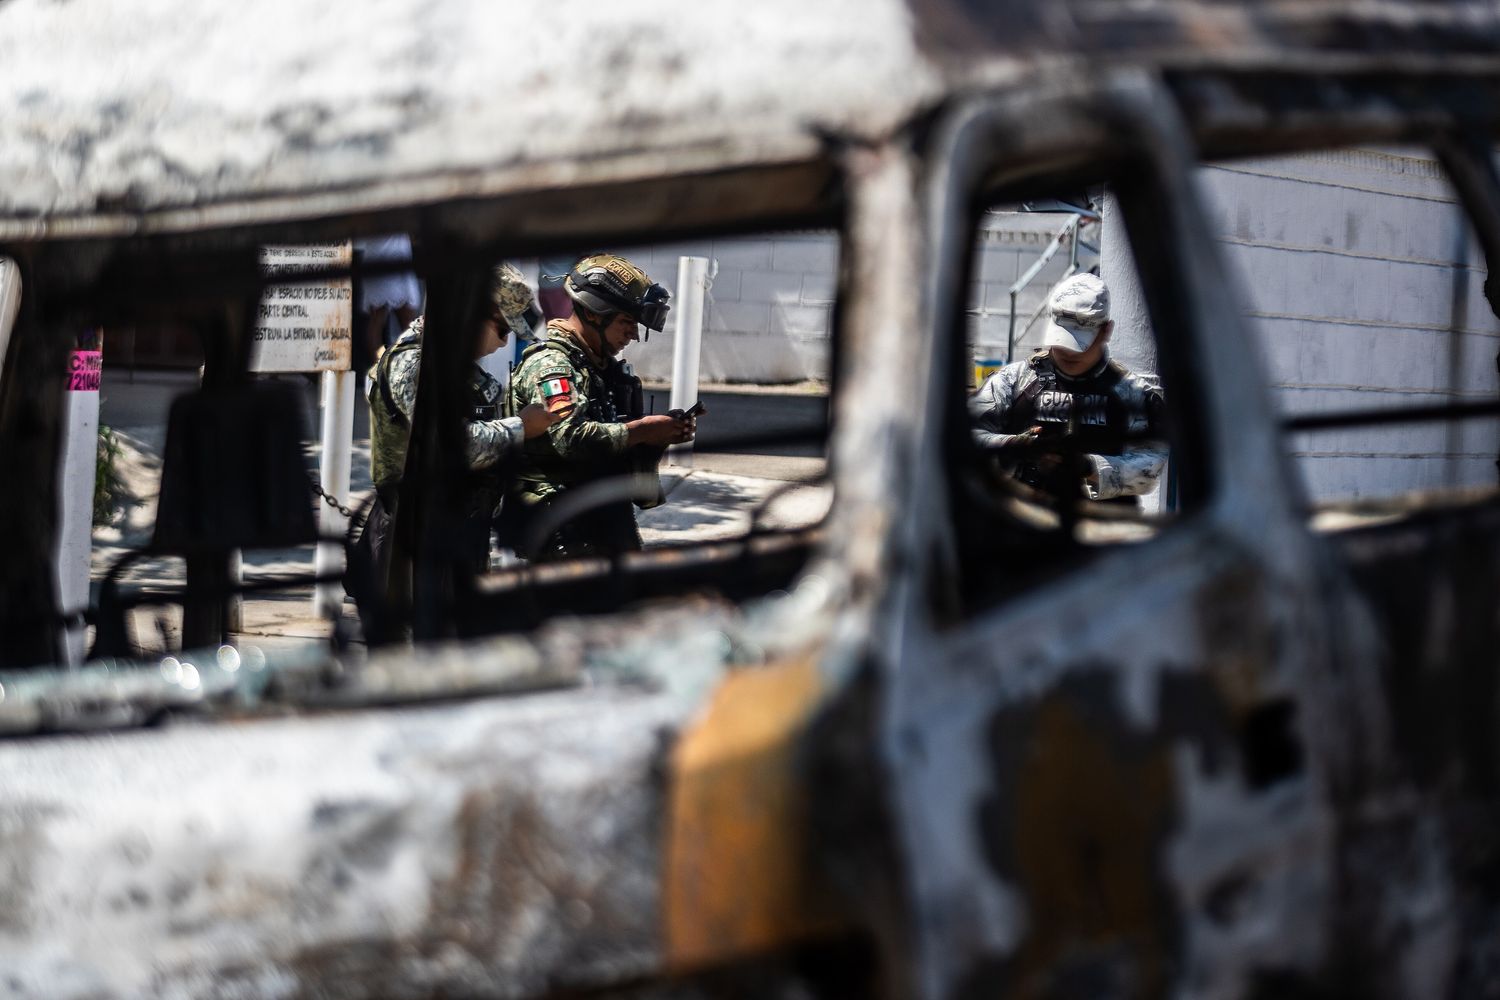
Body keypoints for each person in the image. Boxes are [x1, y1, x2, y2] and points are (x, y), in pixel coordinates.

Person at [364, 262, 561, 576]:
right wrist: (522, 426)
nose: (503, 343)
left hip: (458, 532)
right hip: (411, 543)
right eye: (503, 329)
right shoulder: (413, 364)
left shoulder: (456, 365)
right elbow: (454, 445)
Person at [501, 252, 693, 560]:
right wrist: (643, 430)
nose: (633, 334)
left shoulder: (601, 368)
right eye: (626, 322)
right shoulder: (552, 366)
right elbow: (569, 438)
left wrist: (657, 438)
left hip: (601, 523)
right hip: (563, 532)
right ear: (593, 314)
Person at [970, 273, 1167, 507]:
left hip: (1102, 523)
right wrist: (1018, 446)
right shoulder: (1013, 380)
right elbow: (964, 437)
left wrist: (1088, 467)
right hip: (1021, 518)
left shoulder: (1134, 394)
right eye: (1063, 338)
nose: (1069, 351)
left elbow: (1149, 468)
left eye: (1080, 341)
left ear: (1106, 330)